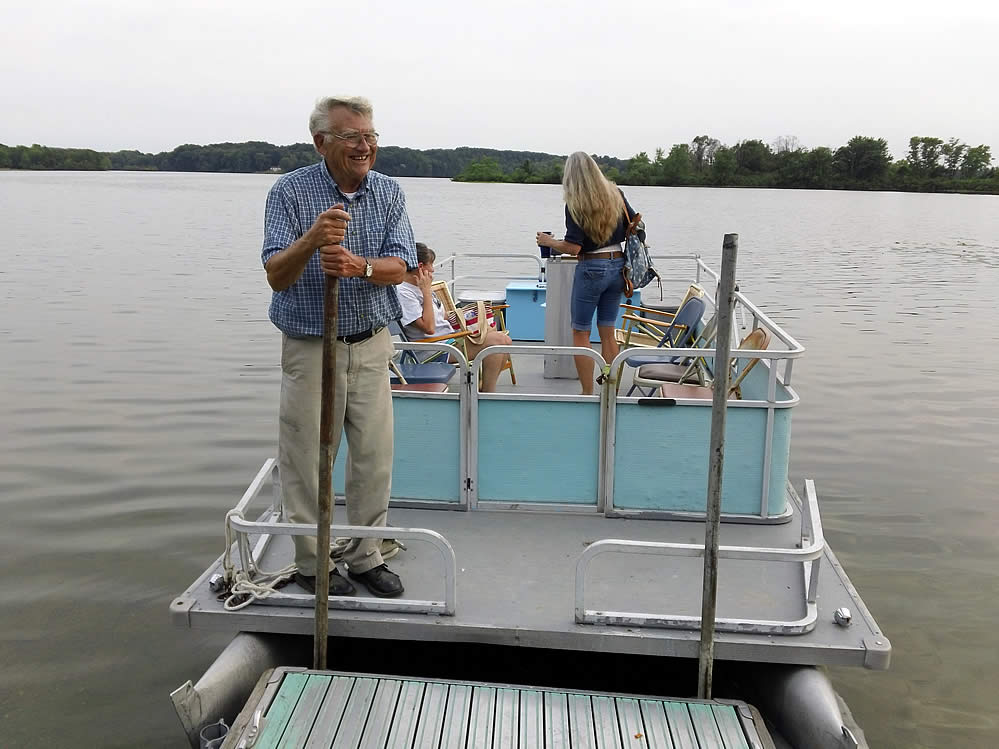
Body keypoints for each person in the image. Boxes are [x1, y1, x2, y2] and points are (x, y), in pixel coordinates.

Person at [261, 96, 417, 599]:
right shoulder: (289, 192)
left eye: (370, 135)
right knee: (308, 457)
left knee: (374, 455)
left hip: (372, 344)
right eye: (352, 136)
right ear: (321, 142)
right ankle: (312, 563)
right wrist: (312, 240)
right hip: (311, 347)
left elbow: (402, 266)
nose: (365, 145)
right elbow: (276, 276)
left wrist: (360, 267)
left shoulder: (389, 192)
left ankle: (366, 554)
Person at [536, 151, 643, 395]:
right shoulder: (616, 193)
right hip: (618, 265)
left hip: (592, 268)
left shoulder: (575, 203)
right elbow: (633, 224)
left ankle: (587, 392)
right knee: (607, 331)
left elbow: (574, 248)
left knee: (581, 332)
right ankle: (612, 391)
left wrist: (549, 241)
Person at [396, 243, 512, 393]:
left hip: (450, 339)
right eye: (431, 265)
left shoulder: (421, 287)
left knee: (505, 340)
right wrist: (425, 292)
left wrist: (470, 317)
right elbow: (429, 328)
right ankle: (487, 395)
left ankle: (484, 388)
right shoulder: (405, 293)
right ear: (421, 267)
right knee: (499, 341)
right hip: (434, 349)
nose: (433, 270)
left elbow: (441, 317)